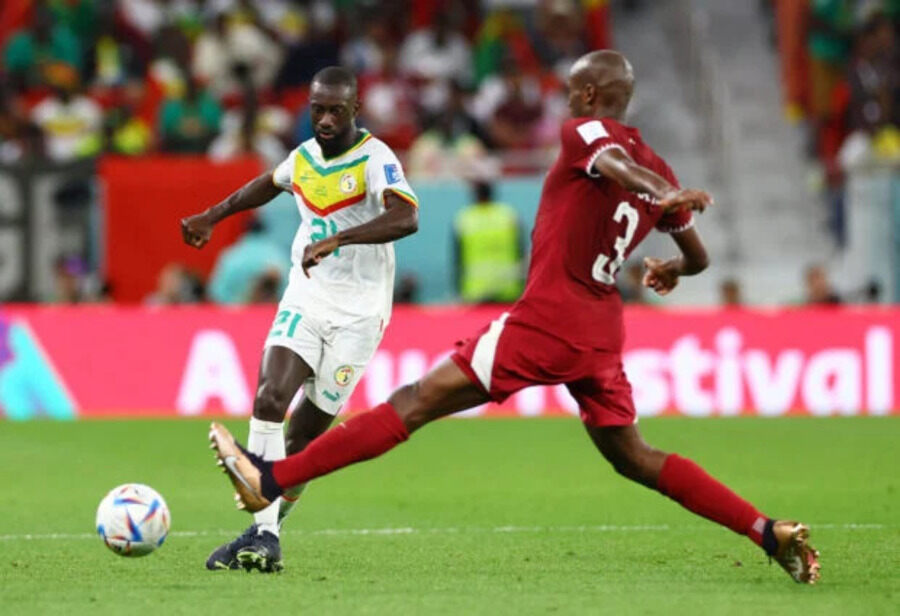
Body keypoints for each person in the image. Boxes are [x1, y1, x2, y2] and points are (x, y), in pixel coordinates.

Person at [209, 51, 820, 585]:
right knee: (635, 457)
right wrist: (670, 263)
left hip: (547, 321)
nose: (565, 100)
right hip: (601, 333)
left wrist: (657, 197)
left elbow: (610, 166)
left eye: (570, 90)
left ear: (585, 94)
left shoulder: (585, 132)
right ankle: (766, 530)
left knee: (414, 402)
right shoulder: (660, 166)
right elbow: (699, 256)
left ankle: (272, 478)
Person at [181, 66, 419, 572]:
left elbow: (406, 217)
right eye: (318, 109)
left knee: (303, 439)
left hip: (360, 314)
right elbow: (267, 185)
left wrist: (338, 238)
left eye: (336, 110)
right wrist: (212, 214)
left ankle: (262, 529)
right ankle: (266, 535)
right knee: (269, 397)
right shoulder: (303, 157)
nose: (326, 119)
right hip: (306, 298)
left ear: (356, 109)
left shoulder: (377, 159)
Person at [453, 181, 524, 303]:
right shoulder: (508, 216)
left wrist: (458, 289)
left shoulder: (465, 219)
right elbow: (521, 252)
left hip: (475, 291)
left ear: (474, 195)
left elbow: (457, 258)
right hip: (508, 288)